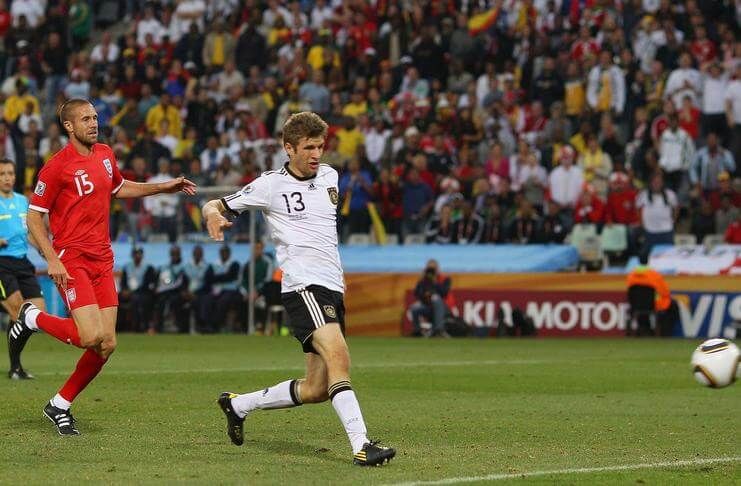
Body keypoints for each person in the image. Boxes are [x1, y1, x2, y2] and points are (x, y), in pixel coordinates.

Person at [202, 111, 395, 466]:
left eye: (320, 146)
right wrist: (212, 213)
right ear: (287, 147)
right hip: (303, 286)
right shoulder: (270, 185)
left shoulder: (331, 177)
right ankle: (362, 444)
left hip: (333, 287)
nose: (316, 154)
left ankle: (238, 404)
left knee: (317, 389)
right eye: (308, 147)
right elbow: (215, 203)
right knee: (340, 357)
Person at [7, 98, 196, 436]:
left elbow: (119, 187)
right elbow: (35, 216)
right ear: (69, 126)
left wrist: (163, 186)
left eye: (95, 117)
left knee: (106, 343)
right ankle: (32, 317)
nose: (93, 123)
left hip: (102, 259)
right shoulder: (56, 166)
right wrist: (51, 258)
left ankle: (60, 404)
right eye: (85, 119)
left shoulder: (106, 154)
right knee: (90, 335)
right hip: (72, 258)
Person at [0, 159, 45, 379]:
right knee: (19, 312)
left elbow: (29, 233)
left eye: (10, 173)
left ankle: (15, 367)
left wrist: (43, 249)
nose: (7, 177)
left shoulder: (22, 202)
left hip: (23, 262)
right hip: (2, 264)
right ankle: (15, 367)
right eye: (2, 174)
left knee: (37, 314)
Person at [409, 260, 453, 337]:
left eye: (433, 269)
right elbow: (417, 293)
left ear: (437, 269)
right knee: (414, 307)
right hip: (428, 307)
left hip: (443, 307)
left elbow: (444, 293)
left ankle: (439, 330)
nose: (431, 271)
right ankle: (417, 331)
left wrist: (434, 282)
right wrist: (423, 283)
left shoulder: (445, 279)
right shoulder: (423, 280)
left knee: (435, 298)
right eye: (429, 269)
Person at [118, 247, 156, 332]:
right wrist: (124, 290)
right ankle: (119, 326)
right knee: (115, 299)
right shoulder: (127, 267)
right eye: (135, 254)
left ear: (142, 255)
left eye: (139, 254)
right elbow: (123, 282)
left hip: (142, 292)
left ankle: (137, 327)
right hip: (127, 291)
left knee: (138, 299)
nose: (137, 256)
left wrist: (132, 292)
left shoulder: (148, 267)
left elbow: (149, 284)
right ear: (132, 255)